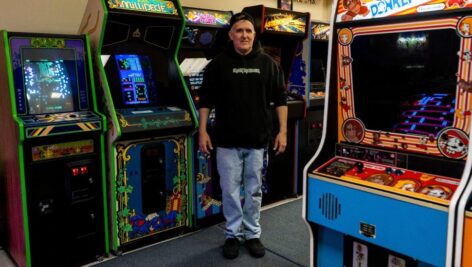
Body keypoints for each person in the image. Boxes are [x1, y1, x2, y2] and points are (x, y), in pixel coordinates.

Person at [198, 12, 288, 259]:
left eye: (248, 31)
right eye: (239, 31)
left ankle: (252, 233)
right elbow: (205, 101)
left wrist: (283, 131)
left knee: (254, 190)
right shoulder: (217, 65)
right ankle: (232, 234)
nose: (244, 35)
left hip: (258, 140)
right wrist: (203, 130)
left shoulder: (269, 64)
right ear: (231, 35)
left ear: (254, 34)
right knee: (229, 190)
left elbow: (280, 100)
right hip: (226, 141)